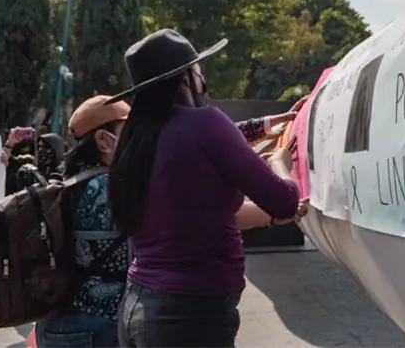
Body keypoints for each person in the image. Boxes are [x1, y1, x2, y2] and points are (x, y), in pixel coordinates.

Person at [107, 29, 300, 348]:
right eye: (199, 70)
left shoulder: (135, 139)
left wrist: (265, 125)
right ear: (186, 78)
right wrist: (280, 163)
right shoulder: (205, 123)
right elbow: (284, 202)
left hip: (138, 306)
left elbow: (221, 140)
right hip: (189, 316)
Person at [35, 95, 131, 348]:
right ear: (103, 140)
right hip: (98, 329)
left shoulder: (64, 184)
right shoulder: (112, 187)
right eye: (129, 131)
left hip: (54, 326)